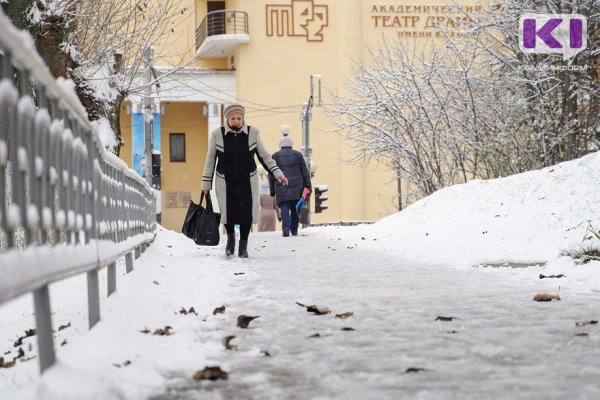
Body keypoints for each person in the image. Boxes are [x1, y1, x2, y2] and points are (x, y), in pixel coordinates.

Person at [202, 104, 288, 257]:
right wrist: (206, 184)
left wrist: (278, 174)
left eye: (239, 118)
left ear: (243, 118)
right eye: (233, 118)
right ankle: (230, 239)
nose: (236, 121)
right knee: (228, 213)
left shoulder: (253, 133)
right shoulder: (217, 134)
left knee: (246, 214)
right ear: (227, 119)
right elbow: (210, 161)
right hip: (225, 181)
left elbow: (265, 156)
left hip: (247, 181)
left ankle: (243, 246)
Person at [269, 135, 311, 237]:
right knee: (295, 207)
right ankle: (294, 229)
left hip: (281, 185)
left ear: (281, 145)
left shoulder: (275, 156)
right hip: (297, 186)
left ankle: (286, 228)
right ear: (291, 145)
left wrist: (272, 190)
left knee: (284, 206)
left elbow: (271, 174)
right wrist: (308, 186)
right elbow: (305, 171)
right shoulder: (298, 155)